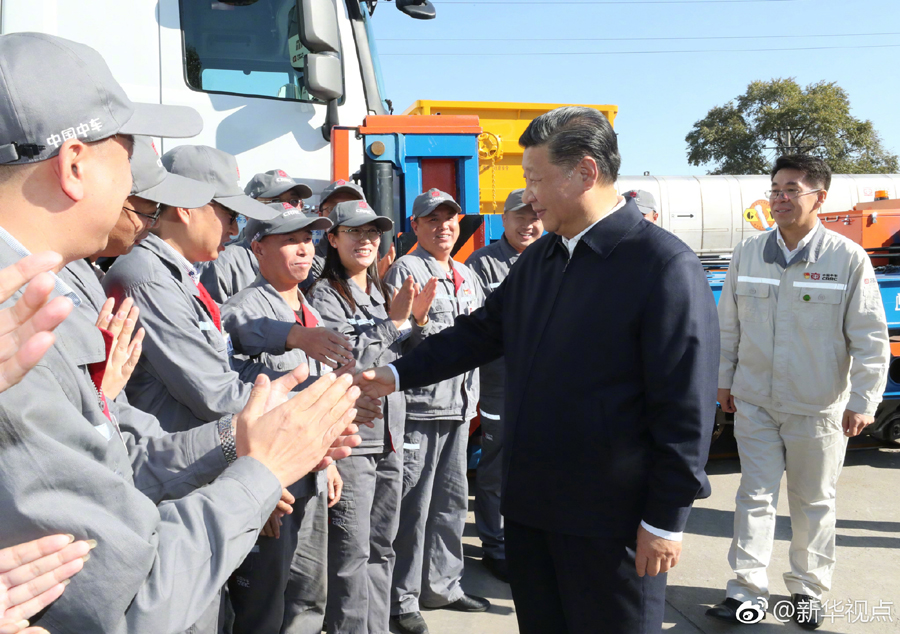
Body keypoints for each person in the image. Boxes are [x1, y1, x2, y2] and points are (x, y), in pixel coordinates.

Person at [0, 32, 361, 633]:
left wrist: (244, 439)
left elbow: (122, 454)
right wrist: (262, 469)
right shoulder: (22, 323)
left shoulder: (30, 300)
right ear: (74, 164)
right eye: (126, 145)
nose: (141, 179)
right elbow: (131, 596)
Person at [358, 107, 719, 634]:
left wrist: (665, 519)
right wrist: (392, 375)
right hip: (533, 512)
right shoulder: (542, 259)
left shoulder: (661, 267)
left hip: (610, 522)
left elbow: (686, 408)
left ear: (586, 173)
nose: (528, 195)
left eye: (535, 179)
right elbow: (480, 333)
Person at [707, 155, 889, 630]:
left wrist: (863, 401)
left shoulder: (846, 259)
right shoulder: (749, 254)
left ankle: (806, 591)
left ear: (819, 198)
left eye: (791, 189)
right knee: (755, 496)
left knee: (813, 503)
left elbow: (870, 339)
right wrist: (724, 380)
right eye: (775, 189)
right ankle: (746, 591)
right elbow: (728, 325)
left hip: (818, 407)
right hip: (755, 402)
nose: (780, 198)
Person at [308, 200, 436, 633]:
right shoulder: (323, 294)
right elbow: (344, 357)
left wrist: (414, 324)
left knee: (383, 547)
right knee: (350, 554)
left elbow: (403, 359)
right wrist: (394, 323)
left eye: (372, 232)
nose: (365, 240)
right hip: (352, 441)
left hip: (391, 436)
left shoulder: (383, 293)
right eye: (354, 232)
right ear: (332, 238)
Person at [220, 202, 336, 634]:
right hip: (272, 478)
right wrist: (253, 481)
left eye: (308, 239)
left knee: (307, 593)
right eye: (290, 240)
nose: (304, 250)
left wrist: (329, 459)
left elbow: (314, 393)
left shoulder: (311, 309)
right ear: (258, 249)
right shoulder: (243, 309)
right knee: (263, 603)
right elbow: (235, 406)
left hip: (312, 469)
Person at [384, 189, 489, 634]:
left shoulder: (467, 274)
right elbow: (394, 339)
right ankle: (402, 598)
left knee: (449, 505)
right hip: (420, 409)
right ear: (416, 226)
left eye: (450, 219)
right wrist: (421, 321)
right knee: (413, 506)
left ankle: (443, 585)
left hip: (460, 408)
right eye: (432, 220)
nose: (443, 226)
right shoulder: (405, 271)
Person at [463, 188, 543, 583]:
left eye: (533, 216)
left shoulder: (555, 254)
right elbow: (478, 326)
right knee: (496, 465)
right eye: (519, 216)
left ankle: (531, 539)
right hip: (501, 382)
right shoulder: (483, 264)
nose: (527, 223)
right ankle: (495, 545)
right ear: (503, 220)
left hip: (547, 381)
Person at [199, 169, 313, 304]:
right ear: (248, 210)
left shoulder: (304, 257)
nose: (287, 208)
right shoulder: (224, 263)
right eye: (275, 201)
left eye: (294, 201)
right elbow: (214, 320)